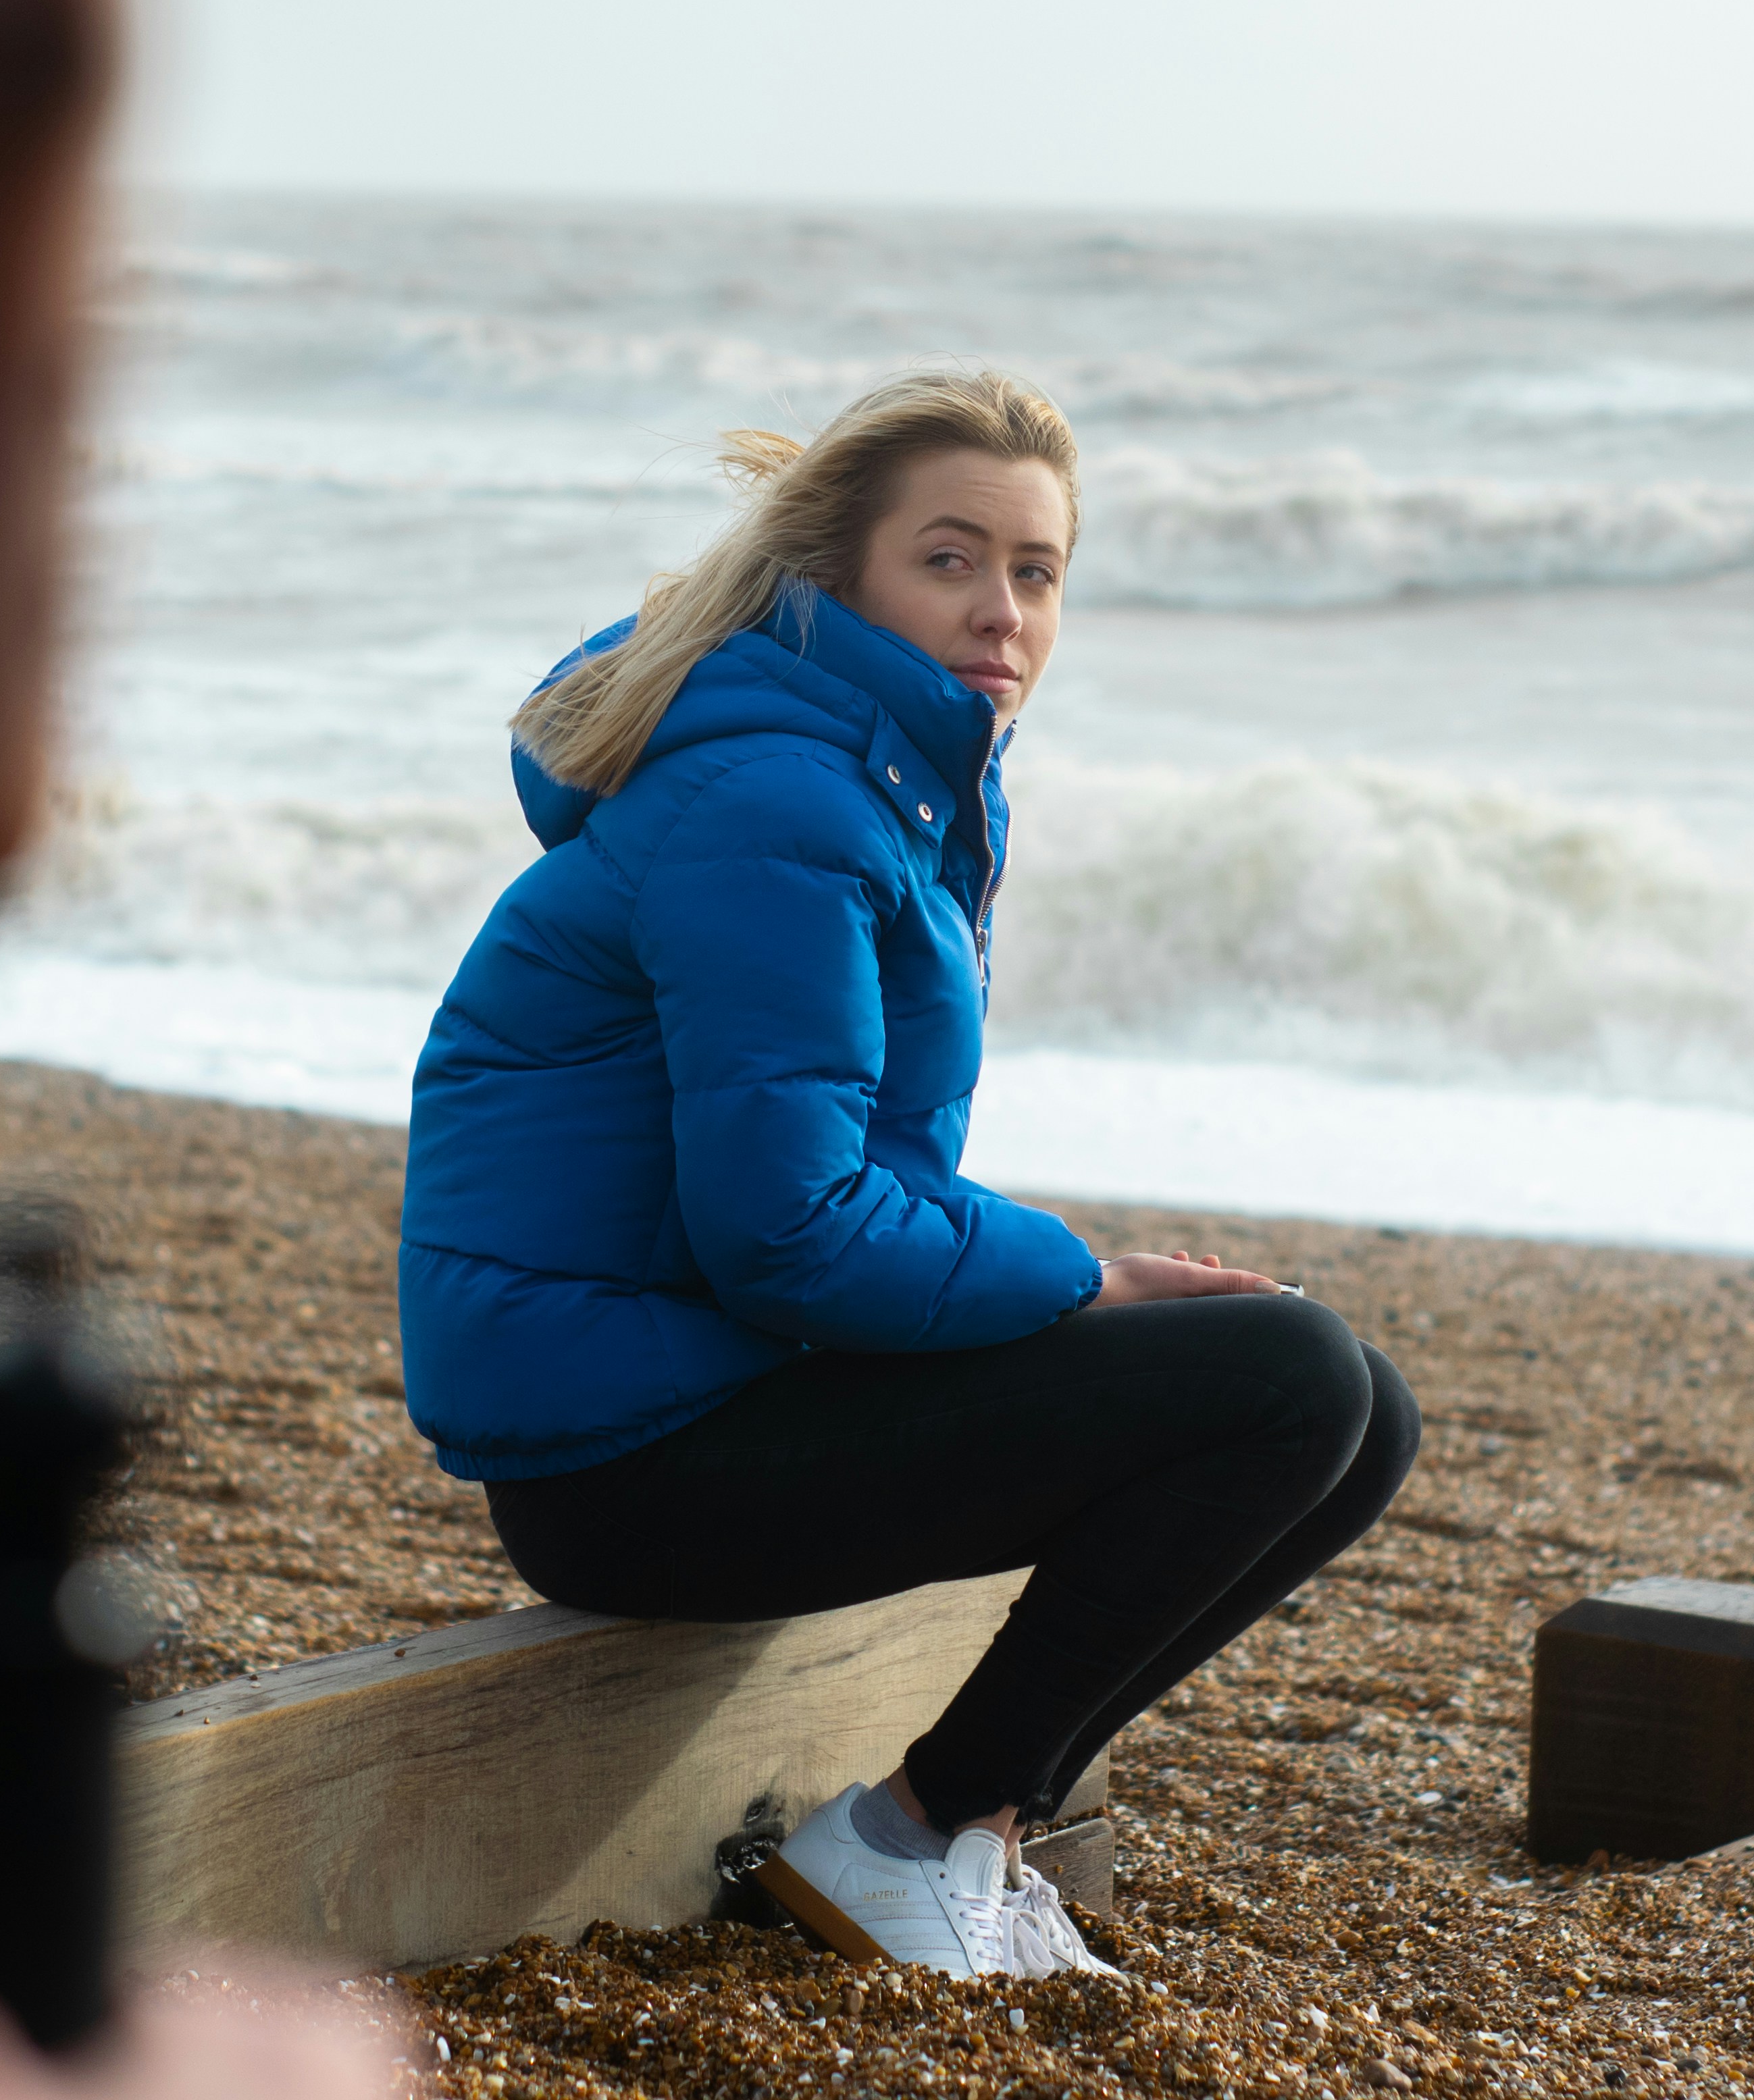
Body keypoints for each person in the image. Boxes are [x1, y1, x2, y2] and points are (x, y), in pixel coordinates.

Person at [398, 367, 1419, 1983]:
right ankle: (905, 1835)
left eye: (1037, 571)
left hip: (714, 1395)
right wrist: (1084, 1276)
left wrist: (1078, 1288)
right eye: (948, 560)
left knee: (1356, 1401)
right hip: (628, 1462)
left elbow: (817, 1191)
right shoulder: (778, 806)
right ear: (837, 580)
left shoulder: (877, 788)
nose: (1001, 610)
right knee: (1284, 1377)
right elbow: (788, 1235)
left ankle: (965, 1831)